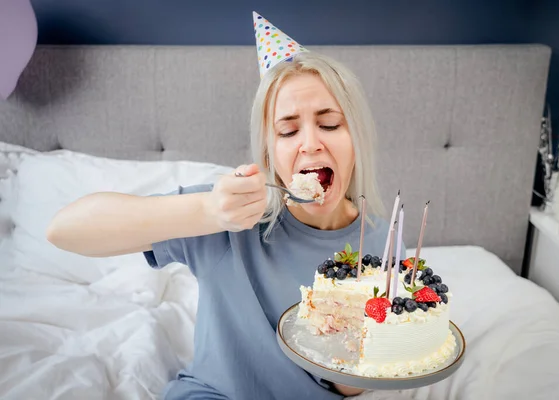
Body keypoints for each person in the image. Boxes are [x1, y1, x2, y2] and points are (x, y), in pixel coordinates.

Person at [46, 11, 403, 400]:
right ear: (269, 150)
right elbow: (65, 230)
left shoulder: (384, 244)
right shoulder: (230, 219)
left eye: (330, 124)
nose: (310, 143)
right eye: (287, 130)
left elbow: (346, 385)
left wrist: (355, 349)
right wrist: (206, 212)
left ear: (357, 138)